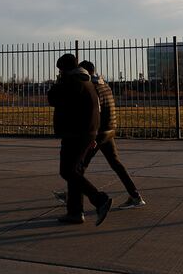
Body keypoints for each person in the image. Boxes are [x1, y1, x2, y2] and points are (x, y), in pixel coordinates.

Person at [55, 60, 146, 209]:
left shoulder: (92, 87)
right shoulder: (104, 84)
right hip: (109, 130)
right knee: (116, 164)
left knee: (77, 168)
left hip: (98, 132)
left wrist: (93, 136)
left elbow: (94, 113)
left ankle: (73, 198)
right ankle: (135, 195)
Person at [47, 53, 113, 225]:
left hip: (75, 134)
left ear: (64, 69)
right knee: (74, 172)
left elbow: (52, 98)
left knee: (67, 171)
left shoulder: (72, 81)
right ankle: (75, 212)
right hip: (85, 132)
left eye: (60, 70)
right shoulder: (85, 80)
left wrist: (58, 82)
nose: (59, 73)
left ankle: (99, 199)